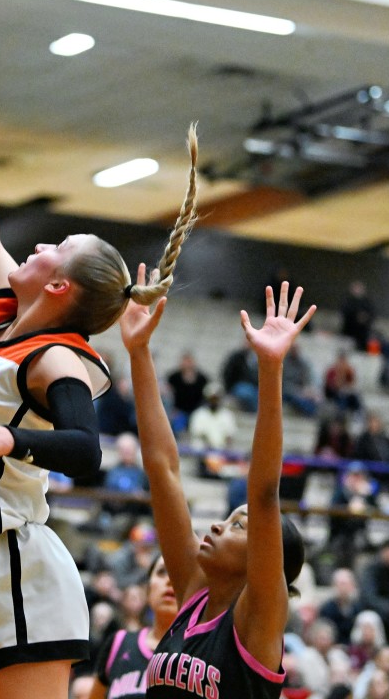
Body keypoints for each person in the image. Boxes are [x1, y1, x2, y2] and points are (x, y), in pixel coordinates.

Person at [0, 0, 198, 699]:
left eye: (55, 246)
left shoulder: (56, 358)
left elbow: (87, 450)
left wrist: (7, 441)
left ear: (61, 286)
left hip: (17, 563)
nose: (37, 244)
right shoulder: (1, 308)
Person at [120, 278, 313, 698]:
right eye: (229, 519)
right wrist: (138, 352)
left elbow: (263, 495)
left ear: (263, 556)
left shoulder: (260, 616)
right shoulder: (192, 588)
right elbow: (163, 470)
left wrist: (270, 369)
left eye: (238, 526)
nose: (219, 527)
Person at [90, 555, 178, 699]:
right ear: (147, 590)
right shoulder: (119, 642)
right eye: (162, 572)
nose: (169, 580)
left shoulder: (205, 652)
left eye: (179, 573)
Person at [164, 353, 207, 433]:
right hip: (179, 410)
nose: (187, 365)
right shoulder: (173, 377)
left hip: (196, 411)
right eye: (185, 362)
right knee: (177, 422)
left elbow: (205, 396)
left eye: (189, 362)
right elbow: (168, 395)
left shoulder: (202, 379)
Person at [340, 281, 374, 352]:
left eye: (359, 288)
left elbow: (372, 314)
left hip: (362, 334)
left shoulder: (367, 302)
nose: (357, 290)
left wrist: (365, 317)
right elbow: (345, 314)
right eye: (355, 288)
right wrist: (356, 316)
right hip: (349, 332)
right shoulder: (348, 301)